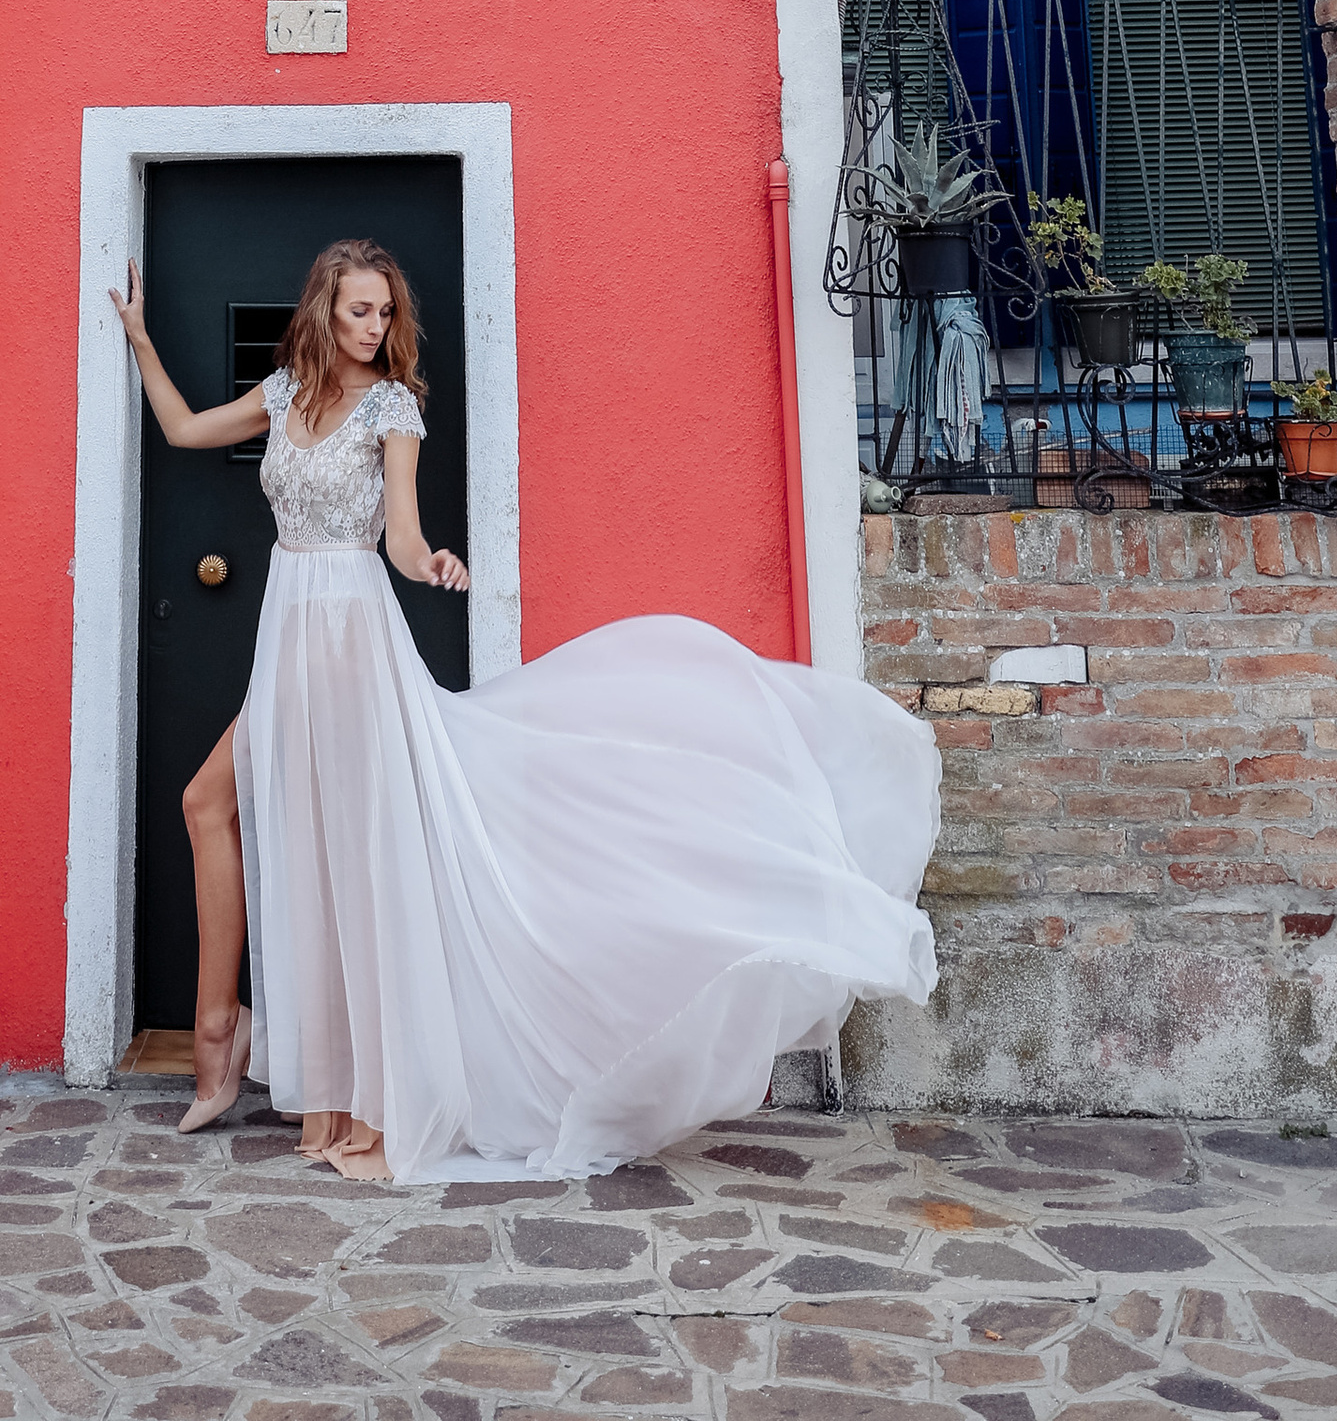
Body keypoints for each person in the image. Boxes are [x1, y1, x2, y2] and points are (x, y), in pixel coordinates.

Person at [109, 232, 940, 1185]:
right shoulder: (283, 396)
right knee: (207, 802)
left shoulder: (394, 406)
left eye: (385, 312)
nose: (376, 328)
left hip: (352, 642)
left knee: (359, 854)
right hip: (285, 638)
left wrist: (435, 564)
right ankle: (223, 1030)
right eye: (358, 312)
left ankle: (364, 1089)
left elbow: (405, 540)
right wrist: (139, 337)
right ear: (321, 314)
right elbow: (180, 432)